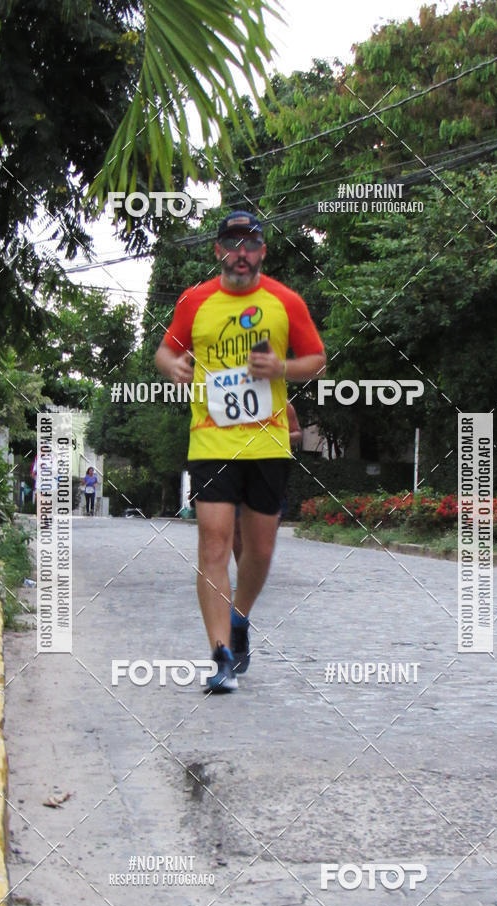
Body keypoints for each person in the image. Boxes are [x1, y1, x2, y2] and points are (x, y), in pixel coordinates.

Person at [155, 210, 326, 693]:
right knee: (213, 545)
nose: (242, 253)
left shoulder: (285, 301)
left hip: (267, 442)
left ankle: (240, 618)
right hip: (211, 438)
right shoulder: (195, 301)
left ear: (262, 252)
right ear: (219, 251)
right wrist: (172, 366)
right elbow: (165, 350)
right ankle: (220, 656)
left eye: (251, 244)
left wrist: (281, 369)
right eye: (233, 244)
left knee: (259, 551)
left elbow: (317, 360)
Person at [232, 400, 302, 564]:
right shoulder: (235, 401)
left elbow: (297, 434)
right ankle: (244, 569)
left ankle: (254, 564)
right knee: (236, 526)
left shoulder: (284, 405)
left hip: (271, 473)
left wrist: (280, 436)